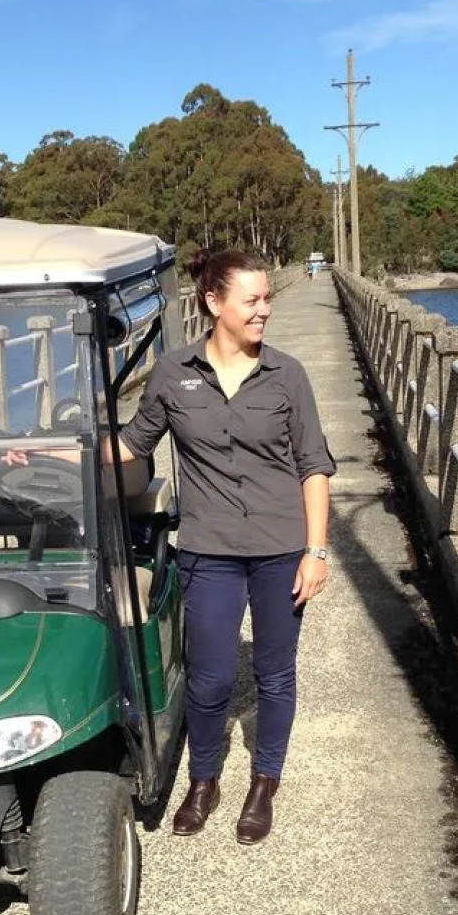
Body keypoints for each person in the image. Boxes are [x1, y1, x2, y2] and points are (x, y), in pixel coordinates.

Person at [114, 248, 336, 844]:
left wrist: (316, 553)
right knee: (209, 679)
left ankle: (264, 782)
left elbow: (314, 467)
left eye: (267, 298)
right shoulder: (173, 372)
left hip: (280, 549)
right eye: (253, 300)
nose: (265, 310)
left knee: (273, 674)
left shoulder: (287, 375)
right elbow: (134, 444)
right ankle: (203, 781)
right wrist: (53, 453)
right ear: (214, 303)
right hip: (208, 550)